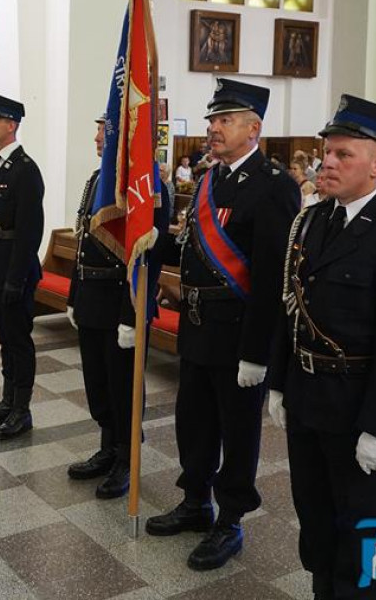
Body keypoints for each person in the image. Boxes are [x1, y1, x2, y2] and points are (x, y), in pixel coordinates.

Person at [267, 94, 376, 600]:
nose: (329, 163)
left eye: (344, 154)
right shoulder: (314, 220)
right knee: (316, 517)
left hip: (358, 405)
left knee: (365, 528)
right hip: (307, 398)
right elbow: (290, 303)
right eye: (328, 153)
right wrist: (279, 382)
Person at [145, 79, 300, 571]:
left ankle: (230, 518)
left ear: (253, 128)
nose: (213, 128)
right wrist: (155, 241)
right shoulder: (211, 180)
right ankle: (195, 501)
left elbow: (273, 274)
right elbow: (193, 248)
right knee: (193, 422)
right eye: (212, 120)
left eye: (224, 120)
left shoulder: (275, 186)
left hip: (237, 334)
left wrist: (259, 352)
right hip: (196, 326)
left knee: (237, 431)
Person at [66, 113, 169, 500]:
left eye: (103, 131)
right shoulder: (97, 180)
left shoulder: (146, 186)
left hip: (121, 300)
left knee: (123, 385)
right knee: (98, 382)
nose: (95, 137)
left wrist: (133, 313)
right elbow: (82, 240)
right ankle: (108, 447)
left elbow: (149, 256)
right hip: (92, 297)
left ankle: (128, 458)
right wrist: (74, 296)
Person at [0, 93, 45, 440]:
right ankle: (7, 401)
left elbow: (30, 232)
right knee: (5, 339)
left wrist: (16, 278)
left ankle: (22, 409)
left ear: (11, 125)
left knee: (19, 340)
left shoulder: (25, 170)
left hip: (15, 272)